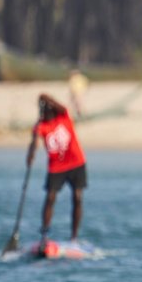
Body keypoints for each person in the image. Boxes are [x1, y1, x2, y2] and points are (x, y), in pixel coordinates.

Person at [28, 93, 87, 243]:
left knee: (77, 197)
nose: (45, 115)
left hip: (76, 163)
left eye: (47, 111)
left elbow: (60, 106)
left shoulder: (64, 116)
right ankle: (45, 235)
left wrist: (45, 98)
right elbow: (34, 141)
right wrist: (31, 154)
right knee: (50, 198)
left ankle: (74, 237)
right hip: (56, 167)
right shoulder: (41, 126)